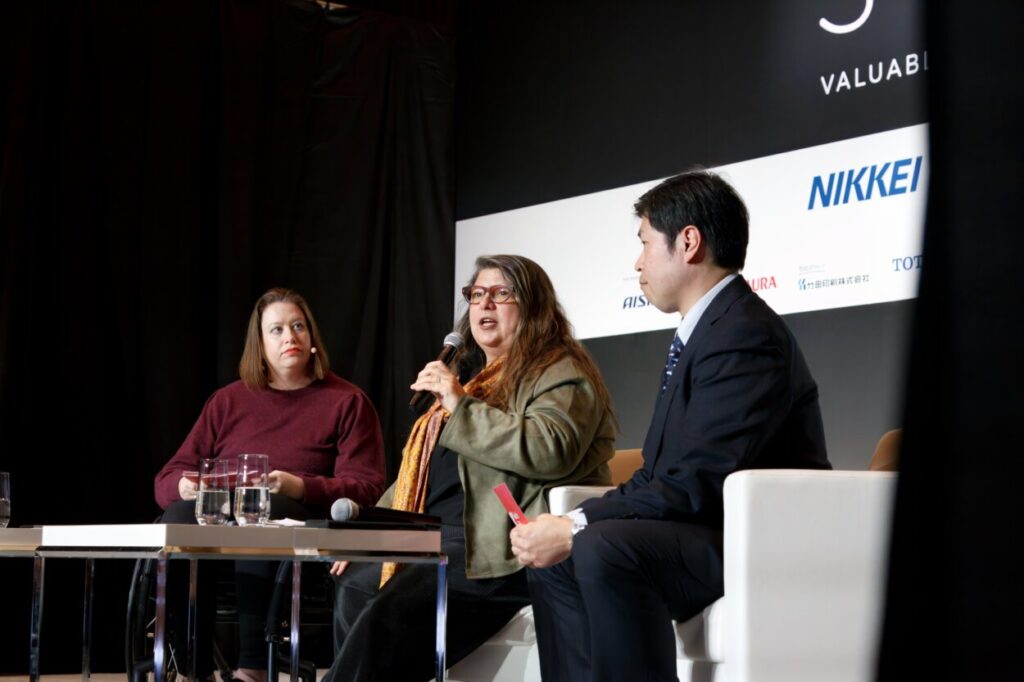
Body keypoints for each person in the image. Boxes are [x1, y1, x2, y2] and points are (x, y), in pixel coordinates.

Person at [510, 170, 831, 681]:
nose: (637, 263)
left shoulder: (744, 334)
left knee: (602, 547)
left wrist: (575, 524)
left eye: (643, 243)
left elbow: (693, 482)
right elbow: (661, 476)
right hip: (701, 531)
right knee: (557, 562)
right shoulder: (708, 331)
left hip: (755, 541)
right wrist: (573, 526)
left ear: (688, 242)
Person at [321, 254, 616, 681]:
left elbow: (550, 448)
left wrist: (460, 405)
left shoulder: (560, 371)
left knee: (393, 609)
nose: (484, 304)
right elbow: (419, 475)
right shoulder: (476, 378)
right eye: (477, 294)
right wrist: (371, 529)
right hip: (433, 535)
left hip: (498, 545)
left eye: (501, 293)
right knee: (354, 584)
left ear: (534, 307)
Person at [154, 287, 386, 682]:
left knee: (260, 513)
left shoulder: (346, 401)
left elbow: (366, 486)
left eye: (298, 327)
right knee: (178, 516)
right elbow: (166, 479)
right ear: (260, 346)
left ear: (312, 338)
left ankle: (254, 668)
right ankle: (189, 668)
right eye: (276, 330)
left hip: (295, 522)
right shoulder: (227, 402)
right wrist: (184, 486)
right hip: (219, 519)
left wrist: (299, 486)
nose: (289, 337)